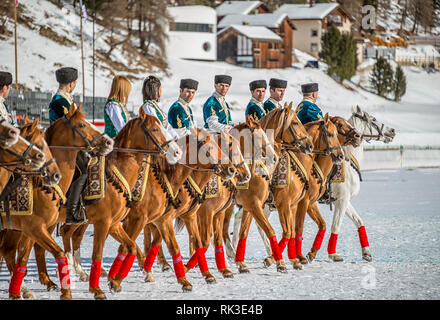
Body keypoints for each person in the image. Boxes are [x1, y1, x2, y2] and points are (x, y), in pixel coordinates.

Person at [140, 75, 179, 140]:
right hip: (158, 142)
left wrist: (177, 138)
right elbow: (156, 127)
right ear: (154, 89)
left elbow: (167, 126)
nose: (161, 90)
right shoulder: (148, 106)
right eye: (159, 88)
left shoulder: (153, 105)